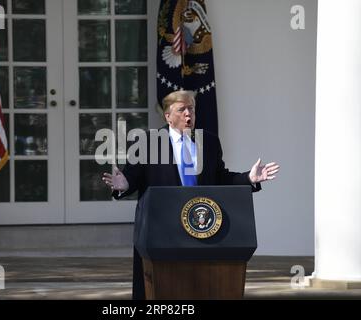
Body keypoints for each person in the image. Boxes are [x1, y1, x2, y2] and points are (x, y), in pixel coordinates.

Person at [102, 90, 280, 299]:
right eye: (182, 109)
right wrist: (123, 184)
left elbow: (220, 178)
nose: (188, 114)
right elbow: (133, 176)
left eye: (191, 109)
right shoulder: (148, 143)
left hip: (201, 230)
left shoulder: (209, 142)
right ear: (168, 116)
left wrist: (248, 178)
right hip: (162, 233)